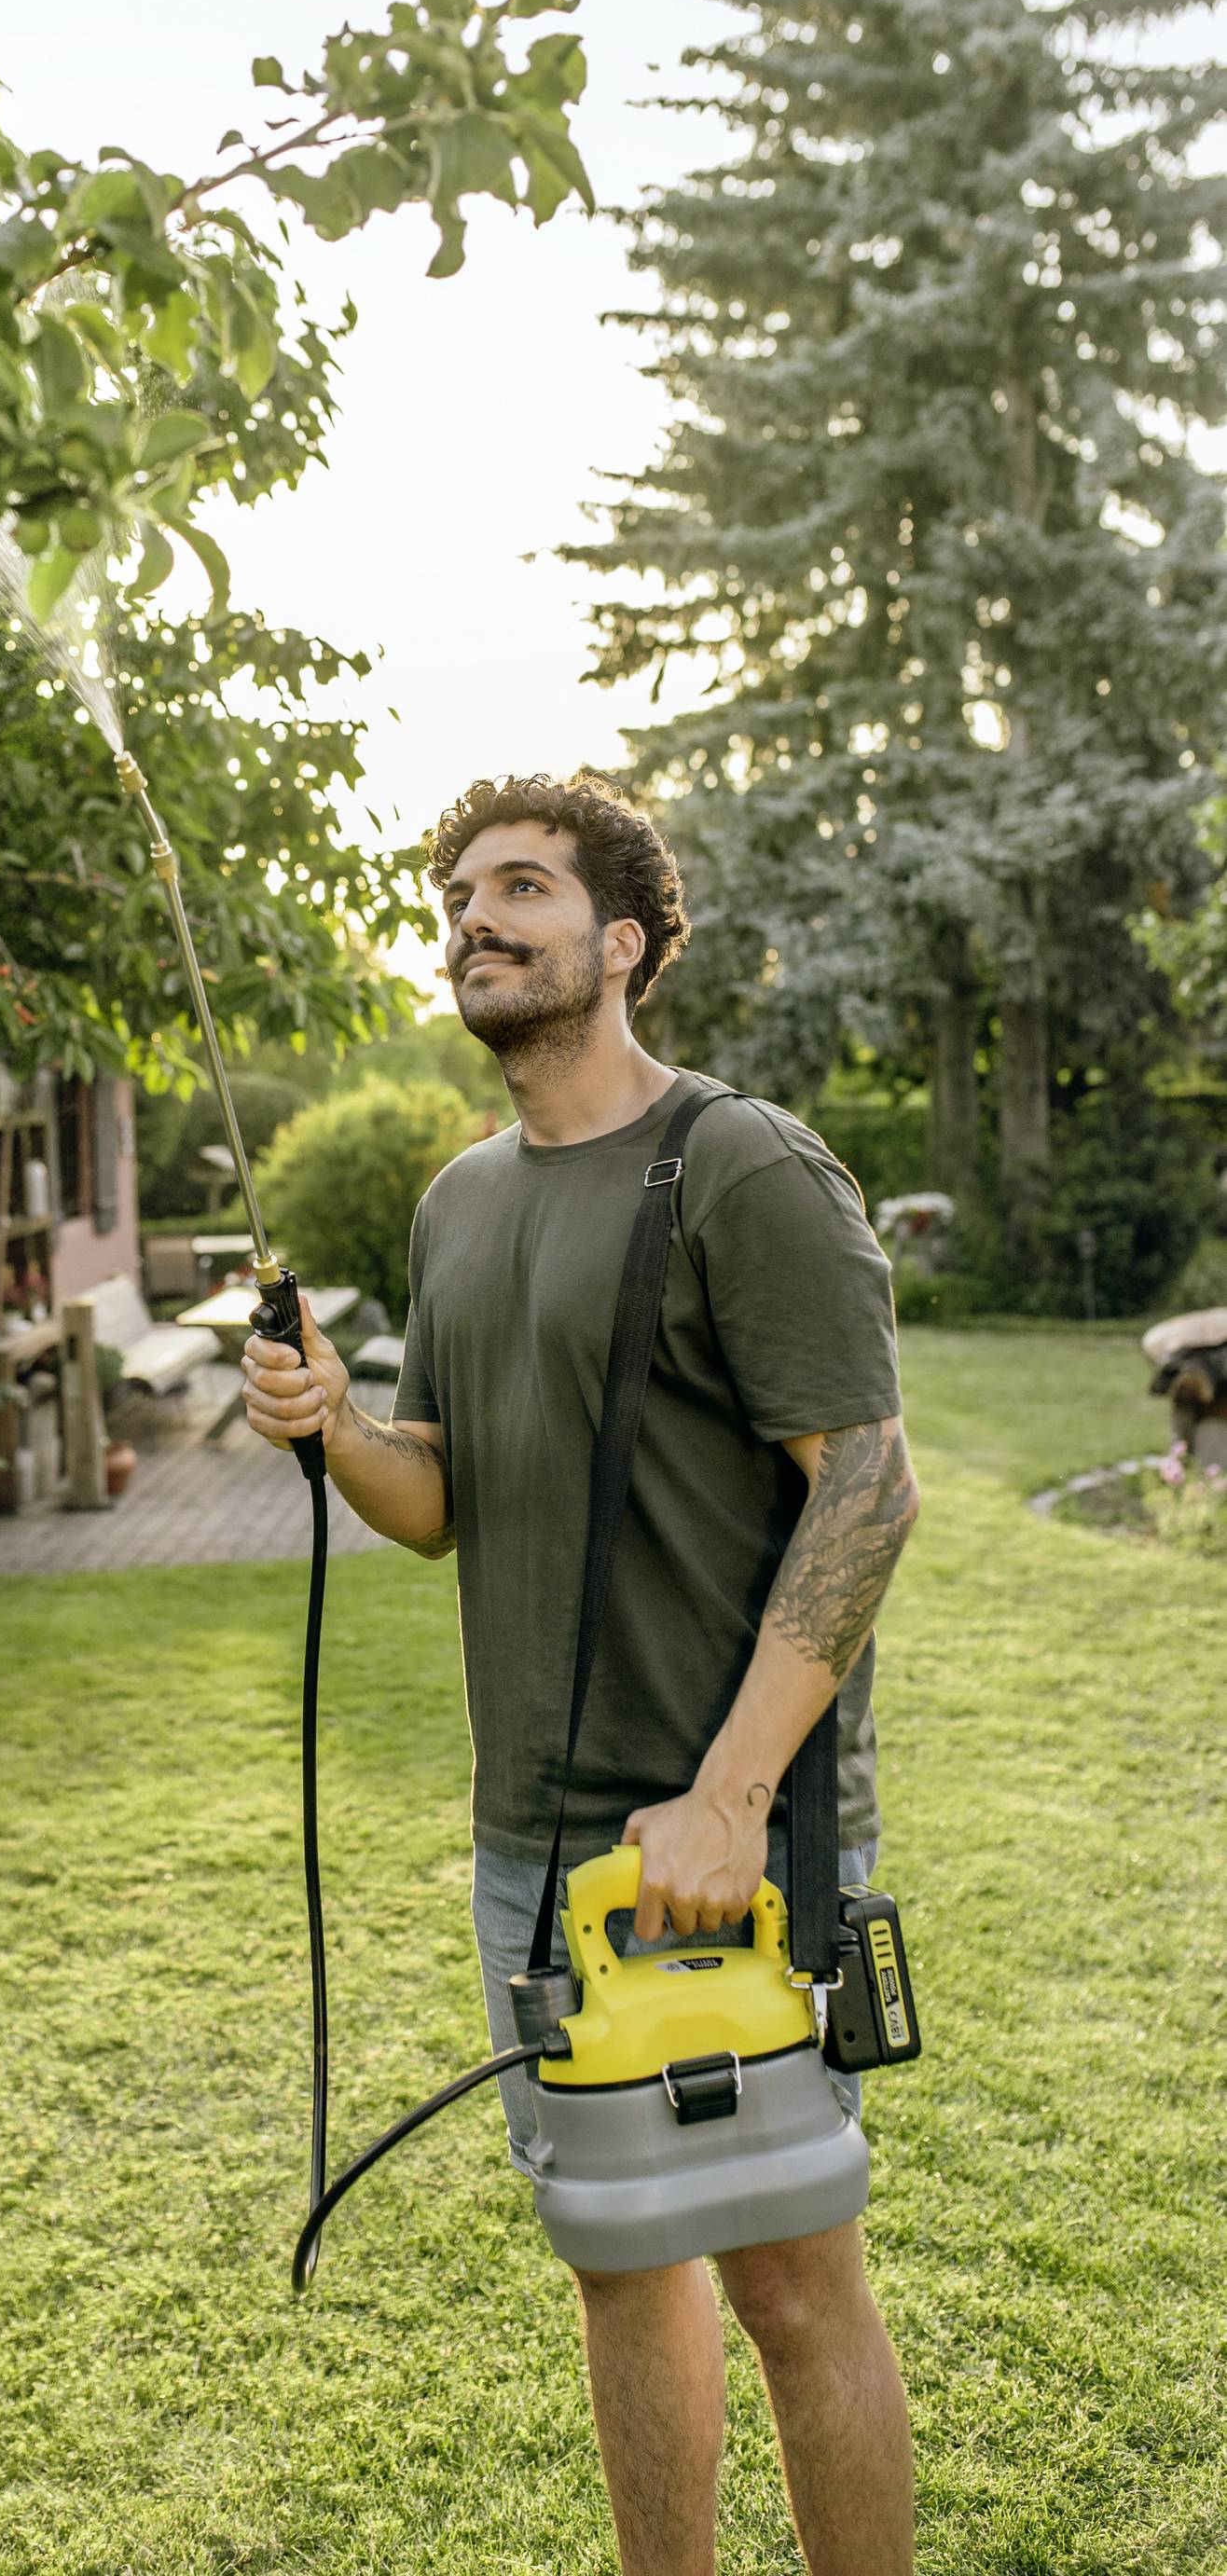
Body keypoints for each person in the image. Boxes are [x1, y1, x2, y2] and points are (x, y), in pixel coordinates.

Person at [241, 773, 918, 2576]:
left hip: (724, 1842)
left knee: (789, 2278)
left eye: (522, 885)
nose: (477, 914)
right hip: (533, 1844)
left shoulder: (738, 1163)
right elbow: (441, 1496)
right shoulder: (459, 1204)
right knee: (622, 2263)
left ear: (620, 944)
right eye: (461, 893)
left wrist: (732, 1793)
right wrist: (333, 1430)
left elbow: (866, 1479)